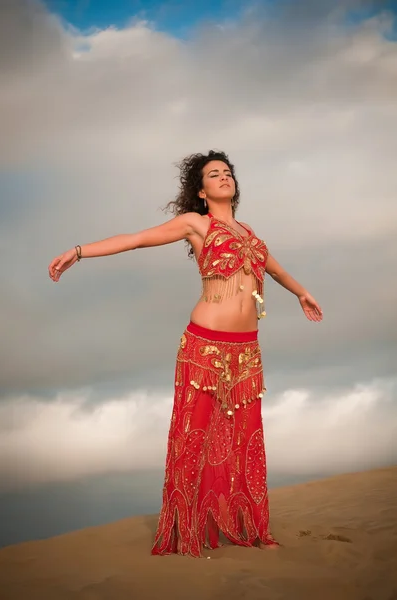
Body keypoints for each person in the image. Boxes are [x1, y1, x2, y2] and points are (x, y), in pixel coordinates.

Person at [48, 150, 323, 558]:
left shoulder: (249, 232)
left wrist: (301, 292)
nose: (224, 178)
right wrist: (79, 250)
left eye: (228, 173)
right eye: (214, 174)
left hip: (246, 352)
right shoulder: (196, 224)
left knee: (245, 441)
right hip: (204, 348)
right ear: (202, 190)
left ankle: (247, 524)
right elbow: (136, 239)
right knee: (195, 439)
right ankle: (187, 529)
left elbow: (276, 270)